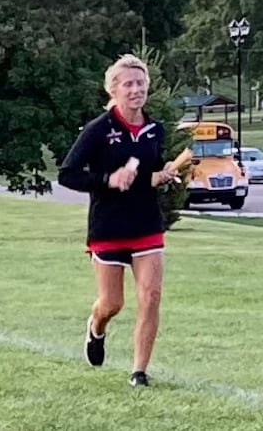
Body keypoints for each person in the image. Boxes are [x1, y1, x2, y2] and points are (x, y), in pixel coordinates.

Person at [57, 53, 182, 388]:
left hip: (145, 225)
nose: (136, 89)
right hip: (109, 226)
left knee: (151, 295)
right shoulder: (99, 130)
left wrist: (163, 174)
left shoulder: (155, 129)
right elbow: (67, 175)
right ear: (113, 89)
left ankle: (139, 372)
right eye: (128, 84)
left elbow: (149, 174)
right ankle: (95, 329)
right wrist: (107, 180)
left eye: (140, 83)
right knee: (112, 303)